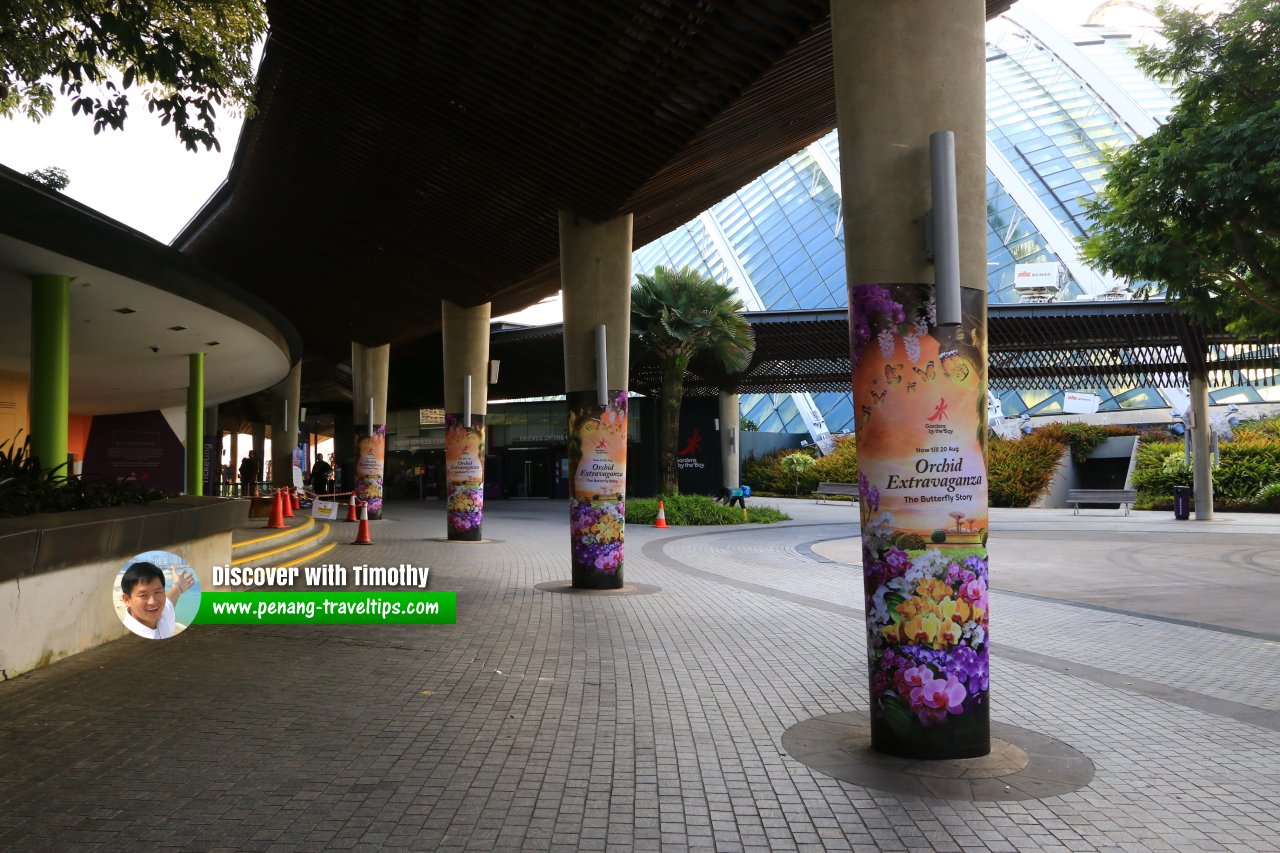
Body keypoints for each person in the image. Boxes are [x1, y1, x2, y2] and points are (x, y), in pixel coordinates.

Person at [119, 562, 195, 640]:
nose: (153, 602)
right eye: (143, 595)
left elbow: (171, 597)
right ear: (127, 600)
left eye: (157, 592)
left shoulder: (163, 614)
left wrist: (178, 586)